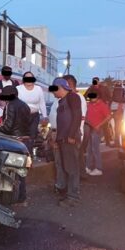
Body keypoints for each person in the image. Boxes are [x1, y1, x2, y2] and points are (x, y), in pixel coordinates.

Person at [0, 85, 31, 203]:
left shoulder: (10, 105)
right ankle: (21, 195)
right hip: (24, 140)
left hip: (13, 139)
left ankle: (8, 194)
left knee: (7, 166)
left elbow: (8, 126)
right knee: (21, 169)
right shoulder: (25, 105)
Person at [49, 77, 83, 207]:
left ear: (60, 87)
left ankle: (73, 197)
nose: (53, 92)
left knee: (72, 168)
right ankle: (68, 194)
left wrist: (72, 135)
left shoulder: (73, 97)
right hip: (63, 139)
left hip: (70, 139)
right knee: (66, 167)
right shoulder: (62, 101)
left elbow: (77, 116)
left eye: (54, 89)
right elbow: (61, 122)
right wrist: (58, 140)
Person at [16, 72, 47, 154]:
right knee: (22, 136)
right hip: (22, 117)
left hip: (34, 116)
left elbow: (42, 103)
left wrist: (45, 116)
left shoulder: (38, 89)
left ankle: (29, 155)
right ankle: (21, 154)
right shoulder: (18, 88)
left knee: (31, 137)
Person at [64, 74, 88, 179]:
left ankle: (74, 186)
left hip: (75, 133)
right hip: (74, 132)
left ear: (69, 84)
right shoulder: (71, 97)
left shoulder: (78, 98)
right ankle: (80, 176)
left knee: (75, 158)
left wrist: (75, 134)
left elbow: (80, 118)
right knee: (78, 157)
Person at [85, 87, 112, 176]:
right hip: (89, 128)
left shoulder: (102, 105)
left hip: (97, 130)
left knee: (95, 149)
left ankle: (98, 168)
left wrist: (99, 125)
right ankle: (88, 167)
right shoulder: (89, 104)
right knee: (89, 149)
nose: (91, 98)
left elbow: (108, 116)